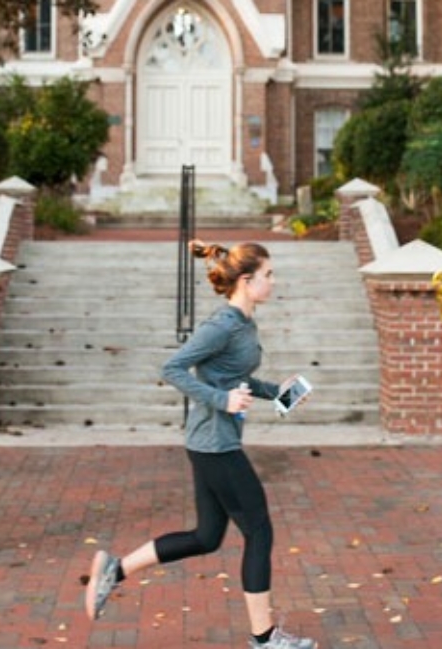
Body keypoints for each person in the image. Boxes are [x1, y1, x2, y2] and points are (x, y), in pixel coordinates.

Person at [84, 240, 317, 649]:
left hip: (213, 441)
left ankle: (115, 569)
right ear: (246, 280)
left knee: (208, 536)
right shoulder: (223, 325)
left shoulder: (245, 323)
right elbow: (172, 368)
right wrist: (220, 399)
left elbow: (233, 378)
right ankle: (264, 639)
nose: (274, 281)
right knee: (259, 531)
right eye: (268, 274)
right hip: (214, 443)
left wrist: (276, 391)